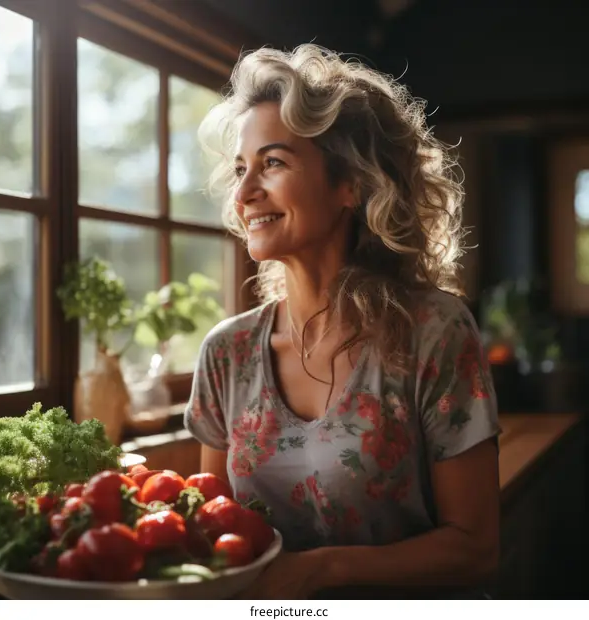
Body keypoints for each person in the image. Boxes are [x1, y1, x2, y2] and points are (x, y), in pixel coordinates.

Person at [184, 44, 501, 600]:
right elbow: (217, 529)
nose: (243, 193)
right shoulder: (225, 354)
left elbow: (475, 549)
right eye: (240, 169)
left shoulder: (434, 332)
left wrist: (321, 571)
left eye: (273, 163)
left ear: (351, 183)